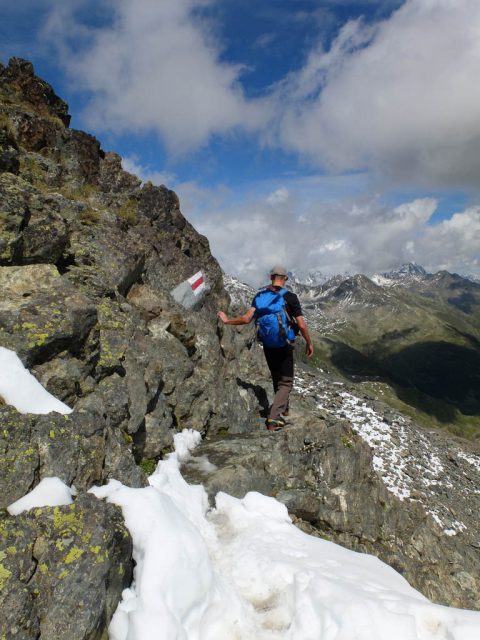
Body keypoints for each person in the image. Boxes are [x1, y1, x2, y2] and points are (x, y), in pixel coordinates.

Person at [217, 265, 314, 431]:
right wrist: (309, 342)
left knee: (277, 376)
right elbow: (302, 325)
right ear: (286, 278)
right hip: (285, 343)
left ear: (271, 277)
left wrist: (227, 321)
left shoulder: (260, 296)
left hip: (268, 344)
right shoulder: (290, 297)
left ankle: (284, 408)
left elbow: (246, 319)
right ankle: (273, 418)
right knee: (286, 382)